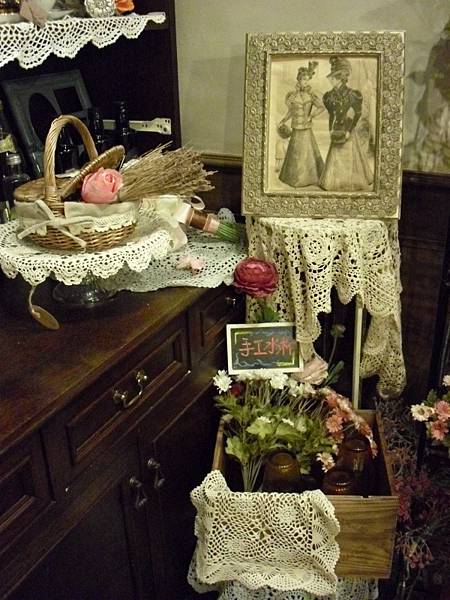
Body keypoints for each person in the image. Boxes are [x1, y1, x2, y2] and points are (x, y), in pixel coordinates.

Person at [319, 56, 373, 192]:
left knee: (349, 157)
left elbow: (357, 114)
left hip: (348, 130)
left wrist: (349, 130)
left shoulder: (353, 94)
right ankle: (335, 183)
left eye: (332, 78)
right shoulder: (329, 96)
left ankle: (349, 183)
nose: (330, 80)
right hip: (336, 130)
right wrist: (330, 130)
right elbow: (331, 115)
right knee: (335, 157)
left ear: (340, 78)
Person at [278, 62, 324, 187]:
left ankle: (310, 178)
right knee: (295, 154)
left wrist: (311, 116)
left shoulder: (311, 95)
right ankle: (294, 179)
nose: (306, 82)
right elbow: (290, 112)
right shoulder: (292, 96)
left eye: (307, 80)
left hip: (306, 128)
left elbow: (321, 107)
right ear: (299, 79)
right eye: (304, 79)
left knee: (307, 153)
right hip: (296, 128)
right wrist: (283, 120)